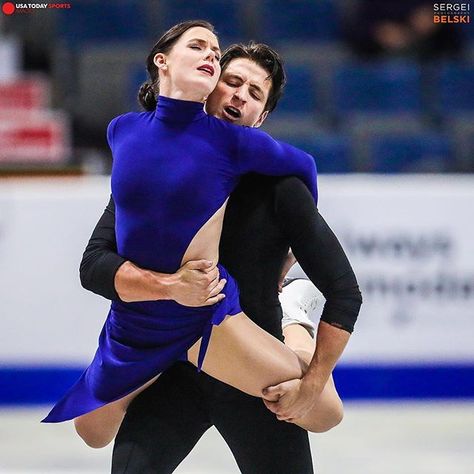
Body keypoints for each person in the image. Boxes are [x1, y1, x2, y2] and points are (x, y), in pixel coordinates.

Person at [42, 20, 341, 450]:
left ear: (263, 116)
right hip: (140, 316)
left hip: (208, 314)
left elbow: (304, 167)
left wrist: (297, 237)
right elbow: (94, 263)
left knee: (324, 412)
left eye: (215, 54)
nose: (212, 61)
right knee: (91, 431)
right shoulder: (123, 132)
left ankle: (296, 320)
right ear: (163, 61)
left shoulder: (231, 144)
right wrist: (164, 286)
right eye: (227, 75)